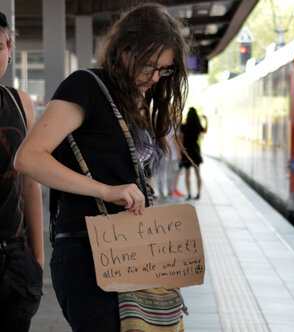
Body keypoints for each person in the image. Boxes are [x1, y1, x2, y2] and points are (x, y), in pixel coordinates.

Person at [14, 3, 188, 331]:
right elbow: (29, 157)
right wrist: (107, 190)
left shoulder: (127, 99)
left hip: (126, 250)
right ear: (124, 50)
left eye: (163, 70)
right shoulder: (86, 86)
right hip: (89, 257)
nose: (154, 77)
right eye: (149, 65)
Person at [0, 11, 43, 332]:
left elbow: (31, 185)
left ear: (10, 47)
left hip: (15, 258)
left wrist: (38, 261)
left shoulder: (20, 103)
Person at [180, 107, 207, 200]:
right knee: (197, 174)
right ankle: (198, 193)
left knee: (187, 174)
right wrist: (205, 120)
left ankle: (189, 194)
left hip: (187, 152)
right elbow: (205, 130)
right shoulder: (197, 126)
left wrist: (181, 153)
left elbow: (181, 141)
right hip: (195, 151)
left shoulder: (183, 126)